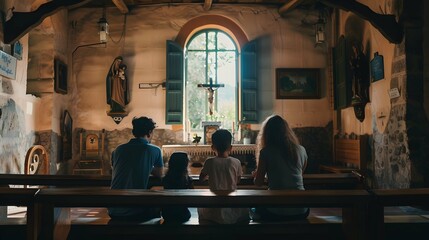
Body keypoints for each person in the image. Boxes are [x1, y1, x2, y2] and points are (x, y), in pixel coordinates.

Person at [251, 114, 309, 221]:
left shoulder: (266, 152)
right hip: (302, 209)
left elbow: (258, 183)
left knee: (253, 209)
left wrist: (256, 175)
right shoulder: (301, 150)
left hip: (275, 210)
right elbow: (299, 174)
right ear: (287, 131)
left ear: (267, 133)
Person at [109, 116, 163, 221]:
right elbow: (159, 174)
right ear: (150, 132)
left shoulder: (118, 149)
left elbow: (115, 167)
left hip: (113, 208)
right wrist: (147, 165)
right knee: (158, 207)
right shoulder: (154, 150)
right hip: (134, 210)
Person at [198, 129, 249, 224]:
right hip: (232, 202)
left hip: (214, 204)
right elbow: (237, 180)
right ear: (230, 148)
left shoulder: (209, 162)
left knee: (200, 209)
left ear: (212, 147)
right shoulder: (236, 162)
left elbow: (201, 178)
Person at [162, 152, 193, 223]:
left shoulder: (166, 179)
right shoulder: (187, 180)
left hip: (167, 214)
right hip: (183, 214)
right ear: (185, 164)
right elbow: (192, 196)